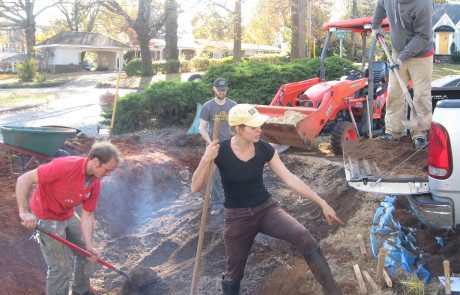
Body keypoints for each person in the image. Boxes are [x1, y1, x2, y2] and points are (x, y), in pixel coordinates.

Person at [191, 104, 344, 295]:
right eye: (253, 127)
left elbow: (291, 179)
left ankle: (333, 291)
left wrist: (322, 203)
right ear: (239, 129)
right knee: (234, 274)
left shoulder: (263, 149)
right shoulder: (219, 152)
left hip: (266, 210)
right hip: (237, 218)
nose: (259, 130)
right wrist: (206, 159)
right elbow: (196, 187)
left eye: (259, 125)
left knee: (304, 237)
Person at [16, 142, 120, 295]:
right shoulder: (64, 166)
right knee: (60, 268)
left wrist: (90, 245)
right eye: (107, 170)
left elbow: (88, 214)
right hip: (46, 216)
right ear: (96, 161)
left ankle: (81, 290)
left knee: (86, 253)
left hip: (67, 213)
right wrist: (24, 212)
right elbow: (24, 179)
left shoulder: (95, 181)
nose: (109, 174)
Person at [372, 0, 434, 149]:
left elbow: (423, 36)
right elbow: (381, 5)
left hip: (421, 55)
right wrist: (376, 26)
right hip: (398, 52)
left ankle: (420, 133)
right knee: (394, 93)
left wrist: (402, 58)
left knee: (421, 95)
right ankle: (393, 131)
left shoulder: (423, 4)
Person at [199, 77, 237, 215]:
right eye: (220, 89)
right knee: (214, 176)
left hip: (230, 145)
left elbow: (237, 126)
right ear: (214, 88)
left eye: (224, 89)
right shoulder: (208, 106)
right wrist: (211, 143)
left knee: (231, 174)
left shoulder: (233, 105)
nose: (222, 92)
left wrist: (237, 140)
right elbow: (202, 128)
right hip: (214, 146)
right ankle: (217, 204)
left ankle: (232, 201)